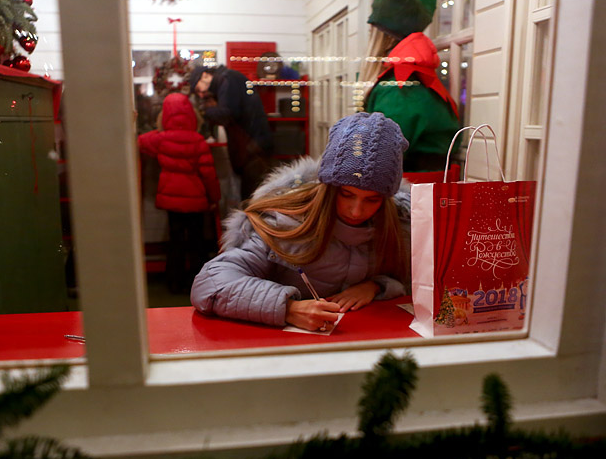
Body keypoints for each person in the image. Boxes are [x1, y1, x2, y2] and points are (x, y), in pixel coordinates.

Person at [191, 112, 411, 332]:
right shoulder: (283, 221)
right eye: (346, 194)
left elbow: (411, 280)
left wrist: (376, 285)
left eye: (372, 200)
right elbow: (210, 283)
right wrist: (288, 308)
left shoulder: (400, 226)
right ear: (328, 187)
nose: (356, 211)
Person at [360, 0, 460, 172]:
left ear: (382, 37)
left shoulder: (399, 85)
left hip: (409, 189)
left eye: (372, 31)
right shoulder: (421, 77)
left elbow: (384, 151)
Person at [138, 93, 221, 294]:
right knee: (197, 242)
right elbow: (209, 173)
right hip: (196, 200)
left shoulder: (160, 139)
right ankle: (199, 284)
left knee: (175, 242)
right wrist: (214, 198)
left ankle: (174, 283)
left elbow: (140, 141)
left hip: (171, 201)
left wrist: (160, 129)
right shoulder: (198, 140)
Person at [189, 65, 274, 200]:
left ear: (204, 76)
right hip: (253, 147)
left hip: (254, 149)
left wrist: (204, 111)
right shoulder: (227, 80)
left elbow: (228, 113)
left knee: (253, 199)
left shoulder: (227, 80)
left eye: (198, 89)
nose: (200, 94)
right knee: (253, 197)